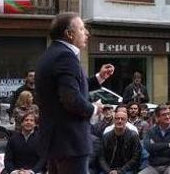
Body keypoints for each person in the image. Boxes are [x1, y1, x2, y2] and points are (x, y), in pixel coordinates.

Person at [35, 12, 115, 174]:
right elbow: (70, 99)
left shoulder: (51, 54)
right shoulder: (66, 56)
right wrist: (94, 109)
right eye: (82, 28)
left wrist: (99, 78)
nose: (86, 33)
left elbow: (70, 88)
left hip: (56, 141)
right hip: (70, 142)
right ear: (69, 34)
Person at [142, 105, 170, 174]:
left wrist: (156, 147)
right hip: (154, 165)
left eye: (169, 114)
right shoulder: (151, 131)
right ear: (158, 117)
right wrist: (167, 145)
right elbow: (148, 147)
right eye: (164, 115)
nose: (167, 117)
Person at [99, 108, 142, 174]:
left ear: (126, 121)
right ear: (114, 120)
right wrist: (108, 171)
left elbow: (135, 157)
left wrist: (119, 171)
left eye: (122, 119)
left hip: (126, 169)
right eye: (117, 118)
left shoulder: (133, 136)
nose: (119, 121)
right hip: (109, 169)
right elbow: (101, 157)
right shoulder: (106, 136)